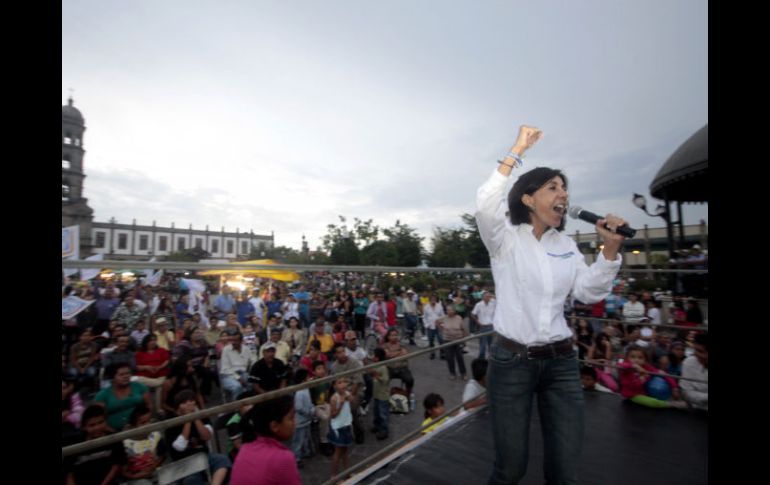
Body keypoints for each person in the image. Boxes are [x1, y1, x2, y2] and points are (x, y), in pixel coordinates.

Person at [475, 125, 627, 484]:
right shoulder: (504, 239)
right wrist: (516, 150)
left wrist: (610, 249)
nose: (564, 194)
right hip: (512, 363)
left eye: (565, 188)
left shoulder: (567, 245)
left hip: (561, 363)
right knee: (511, 467)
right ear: (528, 199)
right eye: (553, 187)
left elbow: (589, 293)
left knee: (565, 469)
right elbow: (484, 204)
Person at [230, 394, 301, 485]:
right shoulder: (284, 458)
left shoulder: (246, 447)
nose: (295, 421)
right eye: (291, 418)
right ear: (274, 426)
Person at [164, 390, 231, 485]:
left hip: (203, 457)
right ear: (178, 406)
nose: (190, 404)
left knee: (222, 460)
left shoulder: (202, 417)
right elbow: (180, 446)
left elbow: (206, 436)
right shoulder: (171, 422)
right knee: (192, 480)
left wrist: (195, 417)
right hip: (184, 463)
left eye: (192, 401)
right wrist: (188, 419)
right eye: (185, 402)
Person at [63, 405, 127, 485]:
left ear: (106, 421)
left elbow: (116, 466)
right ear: (84, 427)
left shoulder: (114, 439)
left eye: (101, 422)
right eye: (92, 425)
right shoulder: (75, 443)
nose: (97, 427)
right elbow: (69, 474)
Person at [618, 345, 687, 408]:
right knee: (653, 403)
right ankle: (671, 404)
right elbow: (621, 365)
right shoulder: (625, 367)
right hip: (632, 395)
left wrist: (674, 387)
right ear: (627, 358)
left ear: (645, 360)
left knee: (659, 379)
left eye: (640, 357)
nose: (636, 360)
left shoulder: (646, 367)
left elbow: (663, 374)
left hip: (644, 391)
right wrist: (634, 366)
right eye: (632, 357)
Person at [95, 363, 152, 432]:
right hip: (114, 433)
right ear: (112, 377)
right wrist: (114, 433)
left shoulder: (140, 387)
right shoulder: (102, 395)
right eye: (121, 374)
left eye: (128, 373)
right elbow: (99, 419)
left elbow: (149, 405)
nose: (126, 376)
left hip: (141, 428)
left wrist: (144, 422)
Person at [120, 404, 166, 484]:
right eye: (143, 423)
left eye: (149, 421)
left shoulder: (156, 435)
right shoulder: (125, 443)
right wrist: (135, 476)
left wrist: (152, 467)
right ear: (133, 427)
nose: (147, 425)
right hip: (135, 478)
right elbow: (123, 470)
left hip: (154, 471)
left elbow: (162, 455)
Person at [328, 376, 354, 477]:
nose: (343, 384)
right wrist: (341, 404)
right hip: (338, 427)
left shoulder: (347, 393)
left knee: (345, 451)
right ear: (334, 386)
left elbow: (353, 402)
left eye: (344, 382)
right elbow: (333, 415)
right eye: (339, 382)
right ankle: (334, 476)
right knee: (338, 452)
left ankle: (347, 472)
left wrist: (351, 398)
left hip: (346, 424)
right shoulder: (334, 398)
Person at [436, 305, 469, 380]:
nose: (449, 312)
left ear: (454, 311)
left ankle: (463, 373)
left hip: (458, 340)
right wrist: (441, 330)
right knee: (449, 358)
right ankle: (452, 373)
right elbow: (437, 322)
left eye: (451, 310)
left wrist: (464, 341)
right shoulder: (444, 318)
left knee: (460, 357)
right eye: (447, 310)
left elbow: (464, 329)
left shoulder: (459, 318)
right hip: (447, 341)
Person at [680, 332, 708, 411]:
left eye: (700, 351)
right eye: (695, 349)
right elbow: (686, 393)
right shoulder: (689, 362)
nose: (695, 354)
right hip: (697, 411)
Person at [369, 347, 391, 440]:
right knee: (376, 412)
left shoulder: (383, 367)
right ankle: (377, 426)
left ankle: (384, 430)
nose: (372, 357)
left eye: (374, 355)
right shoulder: (376, 365)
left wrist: (377, 376)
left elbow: (386, 380)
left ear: (378, 357)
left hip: (383, 396)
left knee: (383, 414)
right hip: (377, 394)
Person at [471, 292, 496, 359]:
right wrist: (478, 322)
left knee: (491, 344)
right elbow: (473, 314)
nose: (488, 298)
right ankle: (481, 359)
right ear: (483, 297)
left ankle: (491, 358)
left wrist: (493, 296)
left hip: (491, 326)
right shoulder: (478, 305)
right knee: (483, 344)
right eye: (487, 296)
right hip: (483, 326)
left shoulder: (493, 303)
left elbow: (499, 300)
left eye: (489, 296)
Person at [422, 294, 446, 360]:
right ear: (430, 300)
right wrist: (426, 325)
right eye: (432, 299)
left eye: (434, 299)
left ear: (436, 299)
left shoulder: (439, 306)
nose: (433, 300)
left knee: (441, 340)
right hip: (430, 326)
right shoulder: (426, 307)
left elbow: (443, 315)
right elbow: (424, 317)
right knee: (431, 341)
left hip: (439, 326)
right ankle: (432, 353)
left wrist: (442, 324)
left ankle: (442, 353)